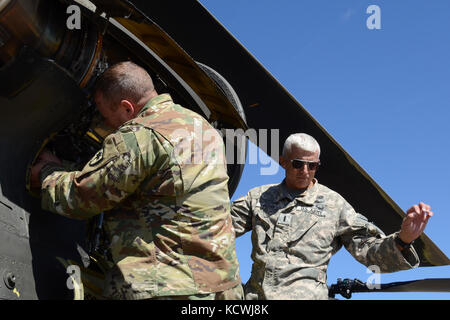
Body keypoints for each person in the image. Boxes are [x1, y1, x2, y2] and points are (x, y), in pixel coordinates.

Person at [30, 61, 243, 300]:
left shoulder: (141, 134)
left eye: (104, 114)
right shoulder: (204, 129)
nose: (106, 124)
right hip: (223, 290)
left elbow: (84, 197)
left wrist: (46, 172)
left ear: (127, 108)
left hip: (166, 286)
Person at [231, 133, 433, 300]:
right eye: (298, 164)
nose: (305, 171)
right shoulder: (258, 198)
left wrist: (403, 239)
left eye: (313, 166)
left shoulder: (334, 205)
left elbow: (369, 251)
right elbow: (217, 229)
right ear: (283, 162)